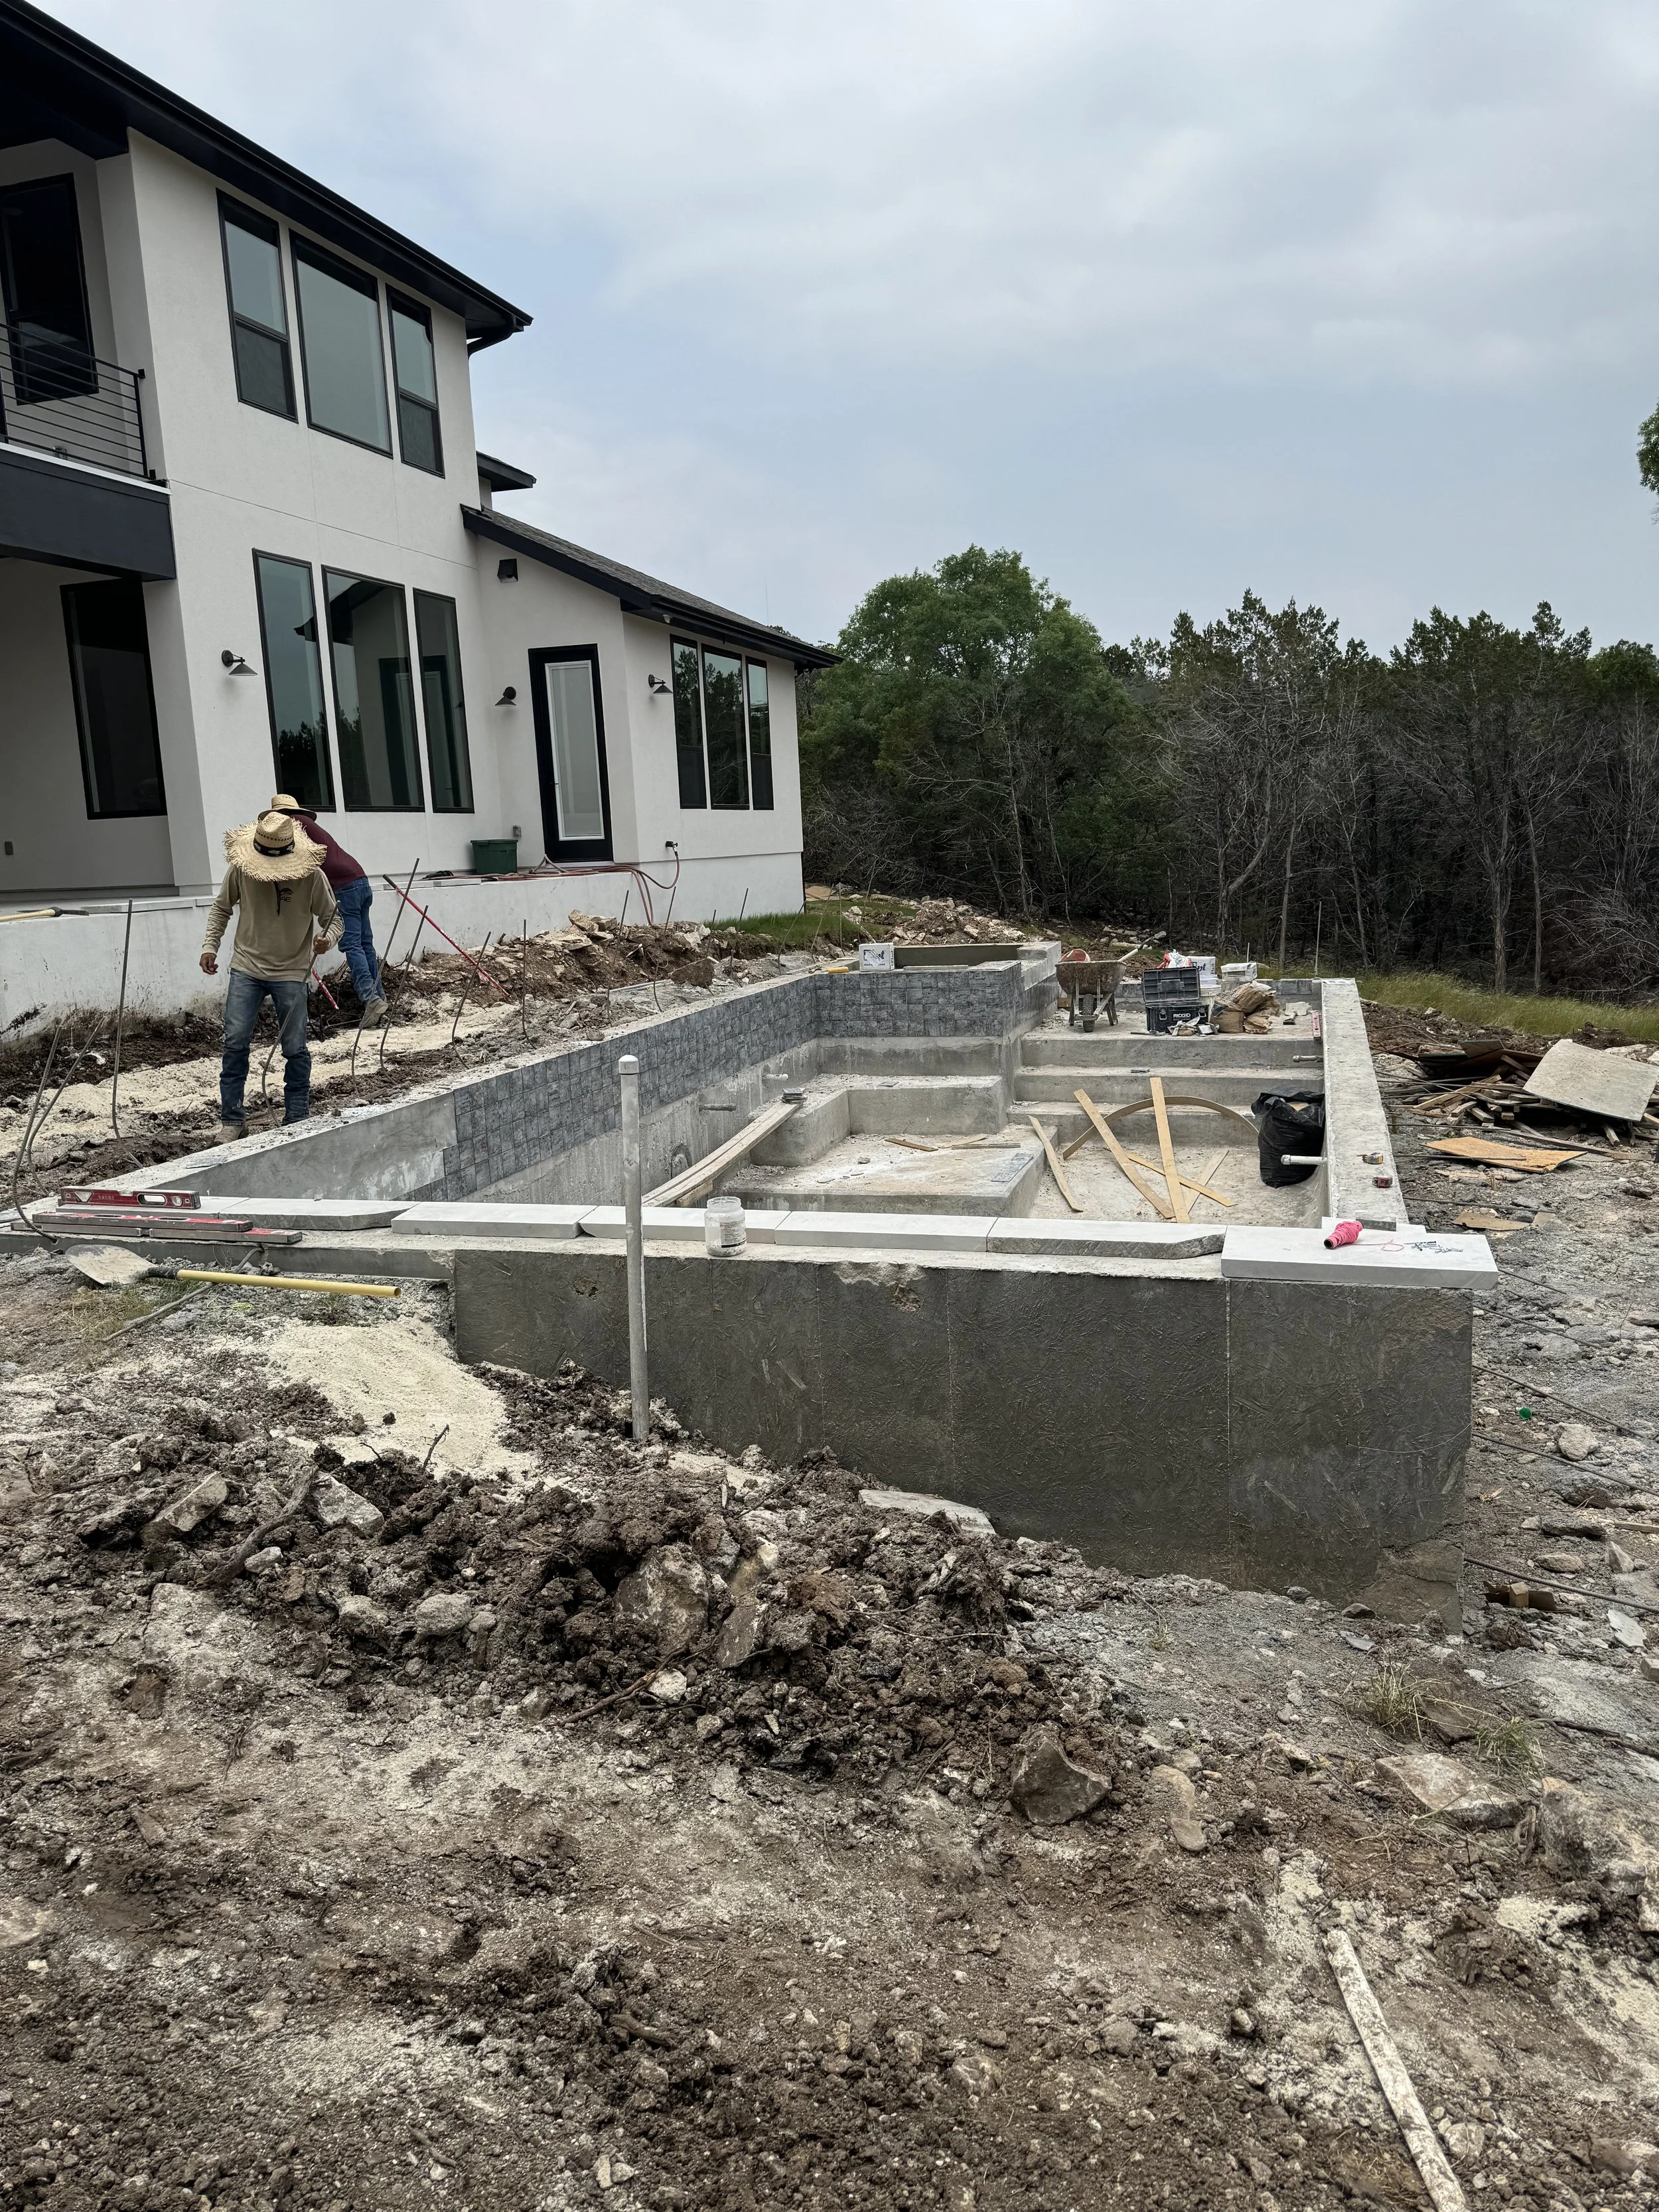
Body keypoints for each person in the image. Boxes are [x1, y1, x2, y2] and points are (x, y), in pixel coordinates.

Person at [200, 810, 342, 1140]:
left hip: (291, 970)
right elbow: (221, 907)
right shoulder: (242, 869)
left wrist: (327, 941)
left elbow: (335, 919)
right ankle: (232, 1120)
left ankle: (297, 1115)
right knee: (235, 1043)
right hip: (246, 967)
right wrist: (210, 946)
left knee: (294, 1046)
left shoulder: (312, 876)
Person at [267, 792, 387, 1025]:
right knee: (365, 943)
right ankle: (379, 996)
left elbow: (292, 864)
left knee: (352, 944)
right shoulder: (307, 824)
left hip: (344, 888)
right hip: (360, 880)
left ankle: (371, 1000)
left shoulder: (292, 826)